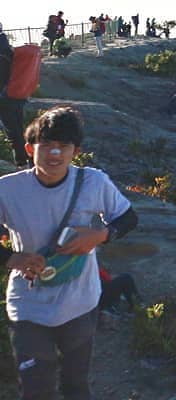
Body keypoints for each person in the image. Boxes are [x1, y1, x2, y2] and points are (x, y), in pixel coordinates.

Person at [0, 105, 138, 400]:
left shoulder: (93, 182)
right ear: (29, 148)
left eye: (63, 147)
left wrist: (101, 234)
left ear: (75, 151)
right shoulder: (7, 191)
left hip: (79, 304)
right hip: (28, 306)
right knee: (37, 390)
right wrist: (13, 258)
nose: (54, 154)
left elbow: (128, 218)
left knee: (76, 386)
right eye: (46, 145)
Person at [0, 24, 31, 166]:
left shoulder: (2, 50)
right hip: (15, 95)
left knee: (13, 133)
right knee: (18, 130)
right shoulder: (5, 47)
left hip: (5, 98)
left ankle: (22, 163)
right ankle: (27, 161)